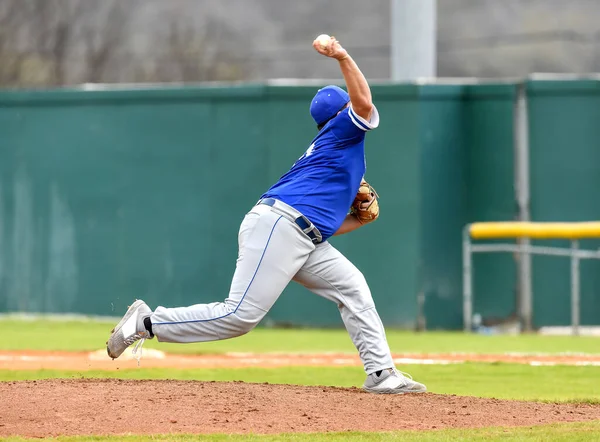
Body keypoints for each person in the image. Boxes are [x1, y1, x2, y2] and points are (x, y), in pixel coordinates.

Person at [107, 35, 426, 395]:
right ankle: (147, 322)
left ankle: (381, 373)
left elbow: (322, 227)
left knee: (353, 288)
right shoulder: (343, 131)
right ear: (341, 114)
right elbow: (364, 102)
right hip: (280, 225)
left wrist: (356, 219)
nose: (359, 112)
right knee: (239, 316)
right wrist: (342, 55)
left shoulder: (334, 152)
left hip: (299, 233)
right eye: (350, 108)